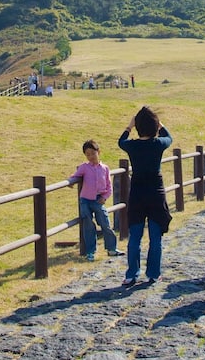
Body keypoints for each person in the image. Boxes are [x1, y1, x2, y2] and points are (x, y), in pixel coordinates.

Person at [118, 106, 173, 286]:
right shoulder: (158, 144)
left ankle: (132, 273)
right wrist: (160, 126)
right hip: (156, 193)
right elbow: (169, 138)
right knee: (155, 237)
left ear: (138, 127)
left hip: (137, 193)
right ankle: (153, 273)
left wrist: (129, 126)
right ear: (155, 127)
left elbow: (121, 141)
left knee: (135, 236)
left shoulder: (132, 146)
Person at [69, 140, 125, 261]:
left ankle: (111, 248)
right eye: (88, 154)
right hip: (85, 200)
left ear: (98, 152)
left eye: (93, 153)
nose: (91, 157)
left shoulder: (104, 168)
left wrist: (104, 197)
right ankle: (90, 252)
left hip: (98, 199)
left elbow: (109, 186)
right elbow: (76, 175)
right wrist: (70, 181)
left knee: (105, 223)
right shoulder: (84, 167)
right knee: (88, 225)